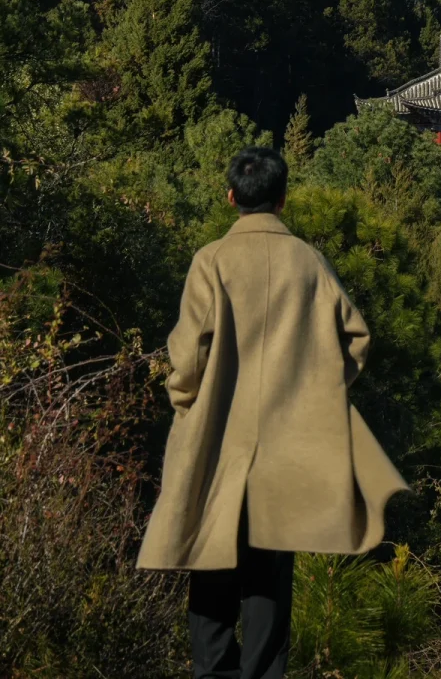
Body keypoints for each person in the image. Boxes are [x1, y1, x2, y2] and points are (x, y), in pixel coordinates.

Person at [137, 146, 406, 679]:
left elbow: (187, 355)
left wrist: (184, 400)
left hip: (217, 436)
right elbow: (357, 340)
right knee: (269, 570)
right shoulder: (308, 261)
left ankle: (213, 672)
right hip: (289, 440)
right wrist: (319, 393)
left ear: (231, 195)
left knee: (208, 558)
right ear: (283, 199)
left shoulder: (210, 260)